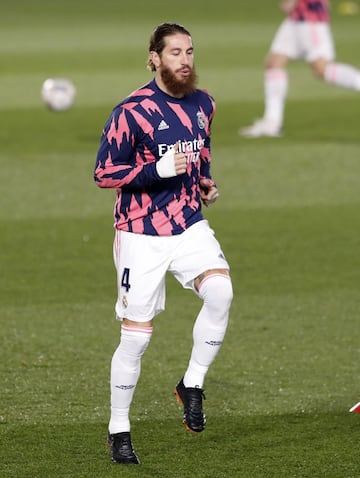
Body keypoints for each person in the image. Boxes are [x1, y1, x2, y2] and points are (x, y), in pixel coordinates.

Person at [94, 22, 233, 465]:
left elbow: (199, 154)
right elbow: (103, 174)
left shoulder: (203, 103)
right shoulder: (130, 112)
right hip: (140, 232)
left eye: (189, 51)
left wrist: (204, 183)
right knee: (135, 340)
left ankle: (191, 383)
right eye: (175, 52)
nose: (185, 60)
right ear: (154, 57)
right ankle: (119, 429)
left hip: (188, 224)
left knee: (221, 291)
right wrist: (158, 169)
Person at [240, 0, 360, 137]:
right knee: (274, 63)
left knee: (322, 69)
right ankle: (272, 122)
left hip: (310, 16)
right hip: (296, 17)